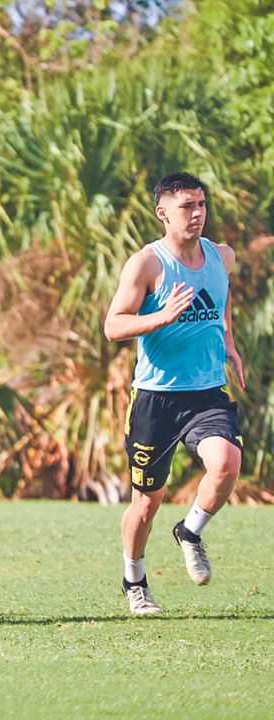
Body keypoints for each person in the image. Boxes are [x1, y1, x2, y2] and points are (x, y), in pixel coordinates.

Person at [104, 172, 244, 615]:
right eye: (187, 206)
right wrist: (160, 316)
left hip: (207, 392)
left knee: (226, 464)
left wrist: (230, 345)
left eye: (202, 204)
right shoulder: (146, 264)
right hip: (156, 398)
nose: (198, 213)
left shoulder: (222, 256)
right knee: (146, 504)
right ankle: (134, 580)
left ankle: (190, 531)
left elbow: (222, 302)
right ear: (163, 212)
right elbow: (113, 327)